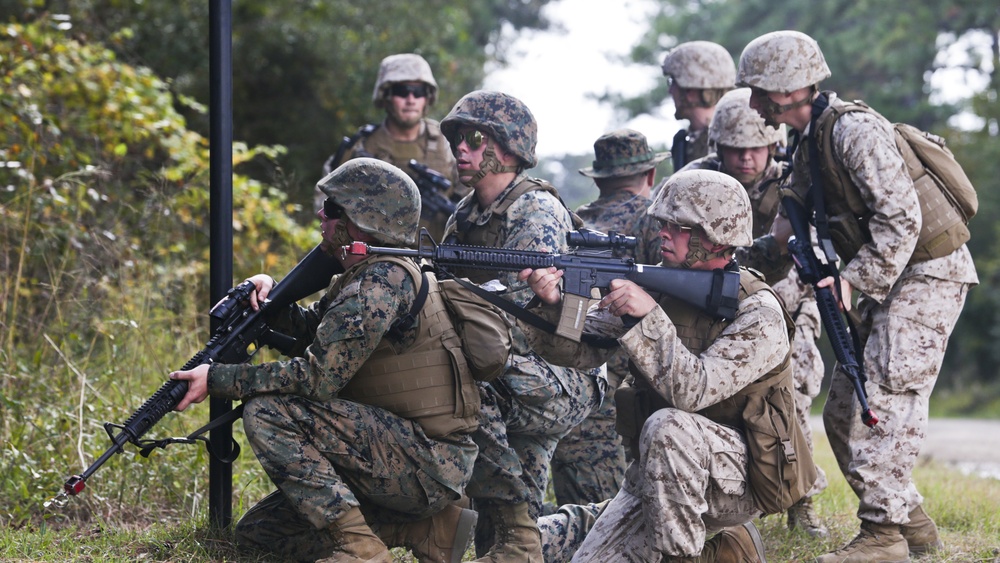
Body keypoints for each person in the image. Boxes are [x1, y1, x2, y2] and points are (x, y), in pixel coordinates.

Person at [738, 30, 978, 561]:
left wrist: (853, 281)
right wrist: (736, 262)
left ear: (789, 87)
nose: (753, 103)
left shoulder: (854, 132)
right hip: (888, 279)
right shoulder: (807, 144)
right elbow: (787, 225)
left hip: (927, 272)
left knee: (887, 399)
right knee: (845, 411)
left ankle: (884, 537)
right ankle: (910, 523)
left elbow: (901, 221)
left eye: (759, 90)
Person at [171, 158, 480, 563]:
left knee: (268, 411)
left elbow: (318, 378)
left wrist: (217, 379)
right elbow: (312, 334)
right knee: (261, 536)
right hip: (401, 452)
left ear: (360, 221)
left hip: (427, 464)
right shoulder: (365, 275)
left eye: (334, 209)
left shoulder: (382, 282)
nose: (322, 214)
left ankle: (362, 551)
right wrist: (270, 298)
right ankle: (427, 530)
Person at [522, 169, 813, 561]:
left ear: (715, 235)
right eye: (662, 223)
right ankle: (724, 548)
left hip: (742, 475)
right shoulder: (659, 286)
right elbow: (580, 351)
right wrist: (554, 304)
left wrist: (646, 318)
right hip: (660, 476)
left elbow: (693, 392)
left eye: (677, 226)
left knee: (669, 424)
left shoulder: (758, 312)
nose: (662, 232)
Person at [439, 89, 604, 562]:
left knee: (463, 389)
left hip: (561, 376)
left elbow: (516, 317)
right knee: (505, 541)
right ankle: (614, 521)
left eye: (474, 139)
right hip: (514, 369)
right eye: (457, 139)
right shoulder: (467, 214)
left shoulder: (534, 211)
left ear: (508, 150)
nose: (461, 149)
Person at [685, 87, 830, 538]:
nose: (746, 158)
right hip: (717, 306)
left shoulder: (794, 180)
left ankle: (800, 501)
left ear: (772, 144)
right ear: (718, 147)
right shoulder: (696, 182)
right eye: (735, 149)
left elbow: (824, 244)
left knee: (794, 395)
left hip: (789, 303)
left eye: (756, 148)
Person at [548, 129, 668, 510]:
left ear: (598, 180)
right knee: (613, 510)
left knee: (582, 498)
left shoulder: (577, 226)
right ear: (650, 176)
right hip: (632, 377)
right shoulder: (653, 222)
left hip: (573, 375)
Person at [318, 53, 466, 241]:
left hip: (439, 258)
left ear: (427, 97)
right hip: (374, 259)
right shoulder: (362, 146)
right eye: (402, 91)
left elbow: (472, 201)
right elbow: (325, 203)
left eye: (418, 92)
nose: (411, 99)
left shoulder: (447, 144)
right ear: (386, 95)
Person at [661, 41, 736, 173]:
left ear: (689, 91)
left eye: (673, 82)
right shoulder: (685, 141)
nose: (670, 91)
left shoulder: (732, 141)